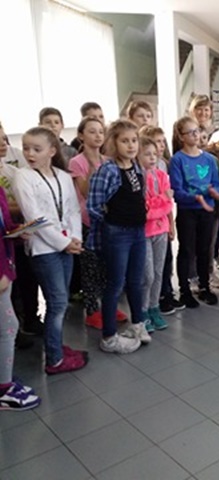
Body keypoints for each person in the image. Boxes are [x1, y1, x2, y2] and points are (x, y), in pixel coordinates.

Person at [14, 127, 87, 374]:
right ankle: (54, 358)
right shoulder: (23, 176)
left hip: (67, 245)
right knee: (57, 302)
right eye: (26, 148)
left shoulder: (63, 176)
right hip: (44, 249)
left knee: (60, 301)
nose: (30, 154)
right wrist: (63, 243)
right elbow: (34, 218)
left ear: (52, 151)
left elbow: (73, 210)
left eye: (37, 149)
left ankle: (57, 346)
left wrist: (75, 238)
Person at [87, 120, 148, 353]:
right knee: (115, 284)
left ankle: (137, 324)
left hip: (138, 231)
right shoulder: (108, 170)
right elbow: (93, 205)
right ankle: (109, 336)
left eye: (134, 140)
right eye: (125, 141)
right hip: (117, 234)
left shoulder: (136, 166)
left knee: (136, 280)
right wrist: (112, 221)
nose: (131, 145)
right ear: (114, 143)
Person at [68, 116, 128, 329]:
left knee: (107, 266)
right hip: (87, 220)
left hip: (108, 220)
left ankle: (109, 306)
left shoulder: (108, 160)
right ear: (81, 136)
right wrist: (94, 168)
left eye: (101, 132)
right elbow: (86, 191)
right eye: (92, 131)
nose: (97, 136)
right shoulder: (77, 162)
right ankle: (92, 310)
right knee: (90, 268)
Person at [169, 116, 219, 308]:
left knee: (204, 250)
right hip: (188, 212)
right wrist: (197, 197)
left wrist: (215, 193)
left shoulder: (209, 159)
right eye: (190, 132)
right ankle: (184, 290)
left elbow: (216, 183)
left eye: (197, 131)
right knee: (187, 250)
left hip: (206, 211)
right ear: (181, 136)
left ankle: (204, 286)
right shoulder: (177, 160)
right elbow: (177, 191)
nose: (195, 135)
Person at [0, 185, 40, 410]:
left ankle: (4, 379)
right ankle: (3, 389)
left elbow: (4, 228)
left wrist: (18, 231)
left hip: (6, 267)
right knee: (8, 328)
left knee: (8, 327)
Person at [0, 122, 40, 349]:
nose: (3, 144)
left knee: (26, 279)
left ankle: (28, 321)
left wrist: (18, 230)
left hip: (11, 246)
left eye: (4, 138)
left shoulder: (13, 172)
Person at [138, 136, 173, 331]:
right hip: (144, 233)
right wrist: (161, 199)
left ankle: (154, 307)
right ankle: (142, 310)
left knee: (159, 272)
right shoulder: (138, 179)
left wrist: (157, 204)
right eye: (147, 154)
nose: (152, 157)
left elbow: (168, 205)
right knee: (147, 275)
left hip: (161, 230)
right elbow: (143, 210)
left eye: (154, 154)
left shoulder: (162, 176)